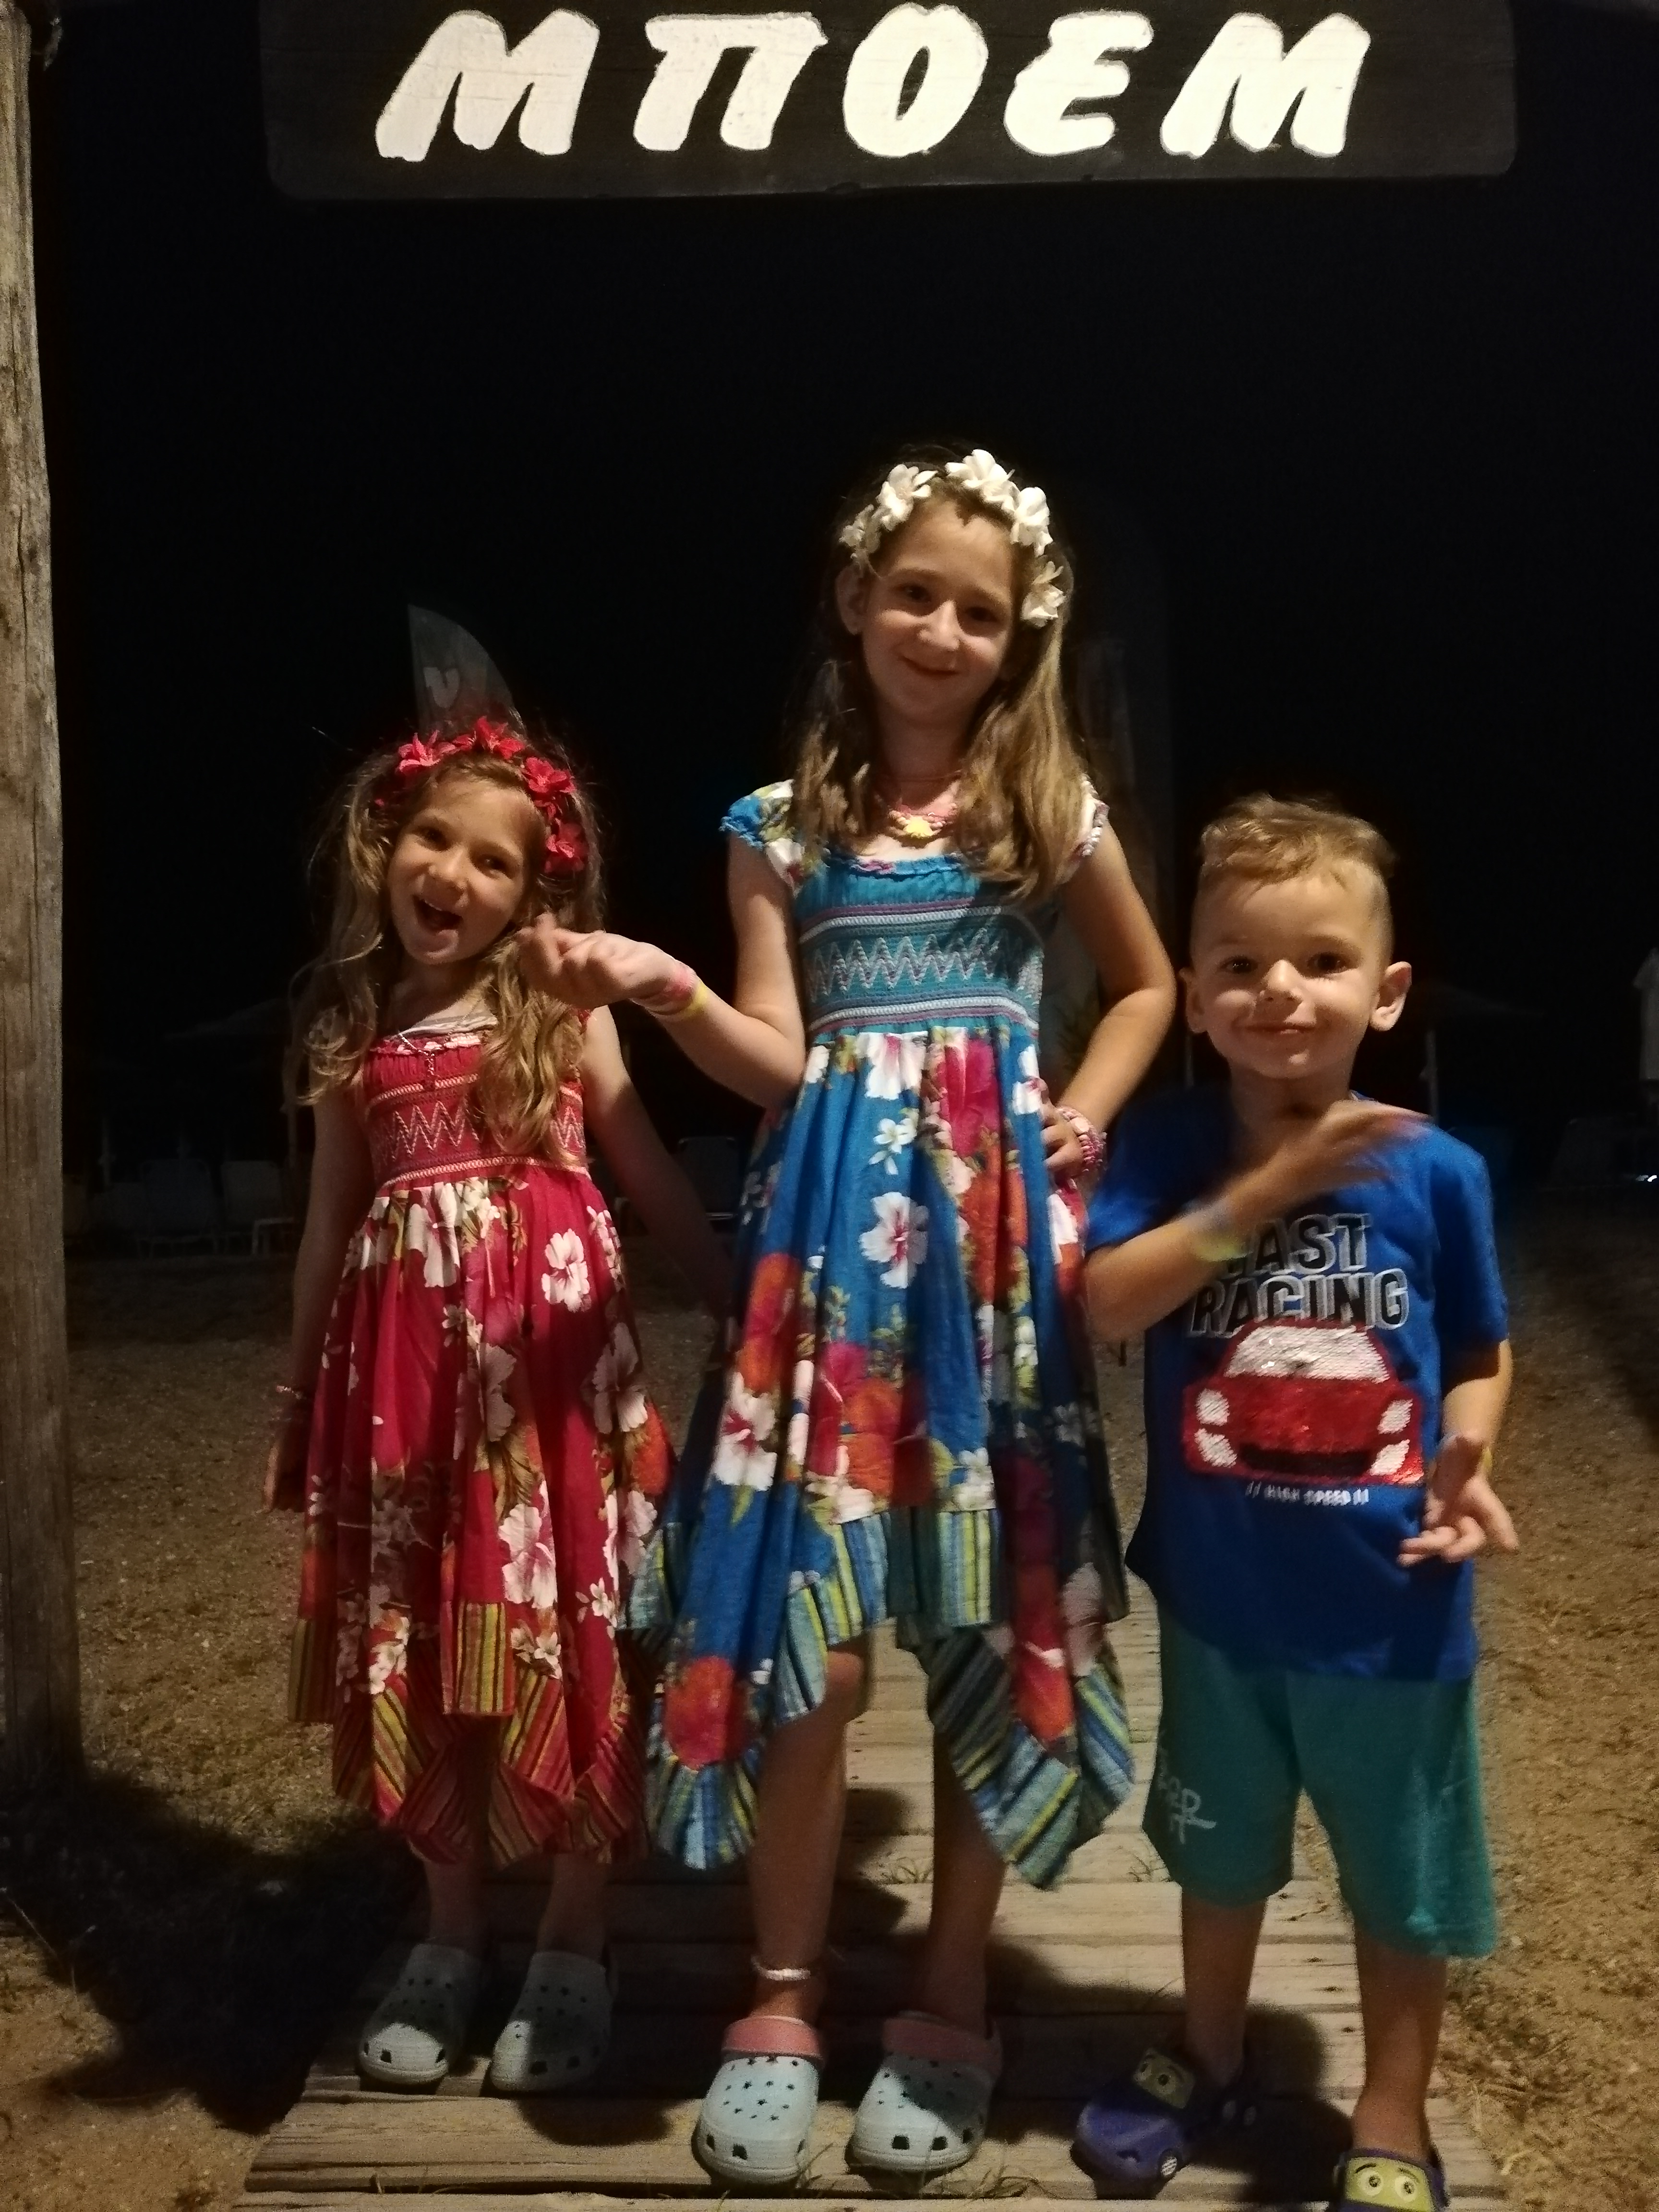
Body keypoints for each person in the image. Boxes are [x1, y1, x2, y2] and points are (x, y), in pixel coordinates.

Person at [518, 447, 1176, 2183]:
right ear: (855, 601)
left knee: (984, 1602)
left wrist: (1081, 1113)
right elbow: (782, 1059)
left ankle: (952, 1995)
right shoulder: (775, 828)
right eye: (915, 595)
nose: (942, 631)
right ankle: (784, 1994)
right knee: (809, 1636)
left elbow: (1150, 984)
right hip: (823, 1264)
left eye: (980, 610)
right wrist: (663, 987)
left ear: (1020, 635)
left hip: (990, 1270)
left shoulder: (1051, 810)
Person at [264, 715, 727, 2096]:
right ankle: (451, 1930)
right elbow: (327, 1223)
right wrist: (299, 1389)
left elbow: (642, 1166)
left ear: (537, 893)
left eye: (493, 860)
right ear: (384, 845)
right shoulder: (349, 1027)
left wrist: (737, 1296)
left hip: (554, 1393)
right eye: (432, 839)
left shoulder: (561, 1012)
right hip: (404, 1395)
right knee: (414, 1634)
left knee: (572, 1636)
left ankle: (577, 1937)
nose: (452, 875)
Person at [1075, 795, 1516, 2211]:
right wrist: (1266, 1193)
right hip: (1221, 1606)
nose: (1281, 990)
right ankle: (1212, 2055)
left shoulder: (1438, 1169)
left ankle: (1391, 2113)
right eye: (1242, 964)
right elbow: (1107, 1302)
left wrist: (1467, 1453)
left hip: (1394, 1614)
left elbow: (1477, 1349)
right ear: (1196, 992)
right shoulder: (1167, 1147)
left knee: (1402, 1876)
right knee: (1219, 1854)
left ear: (1385, 992)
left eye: (1322, 961)